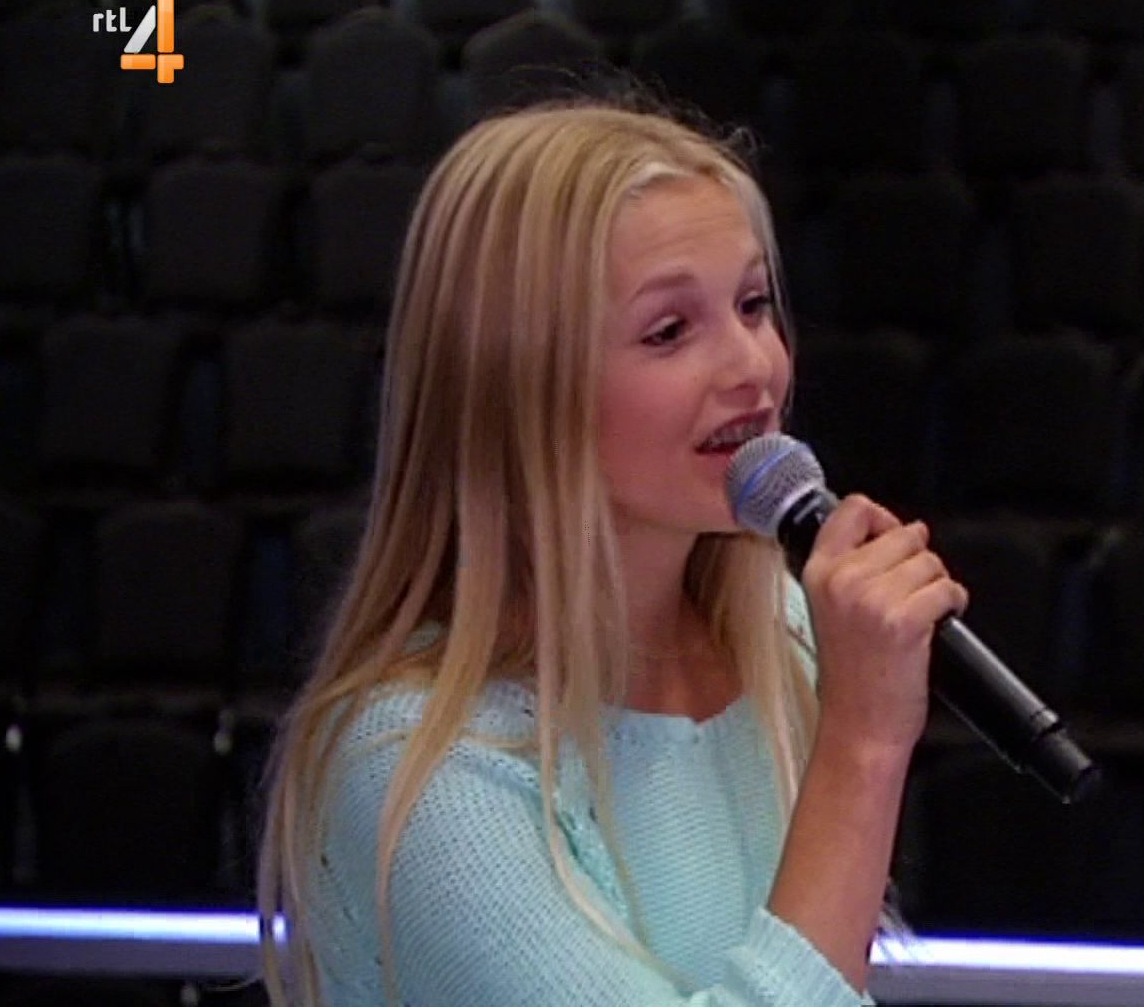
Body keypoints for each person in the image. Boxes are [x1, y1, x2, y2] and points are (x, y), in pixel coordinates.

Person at [255, 97, 968, 1006]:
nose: (753, 366)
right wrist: (862, 745)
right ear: (519, 385)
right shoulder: (416, 764)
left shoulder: (785, 632)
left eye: (753, 305)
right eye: (670, 331)